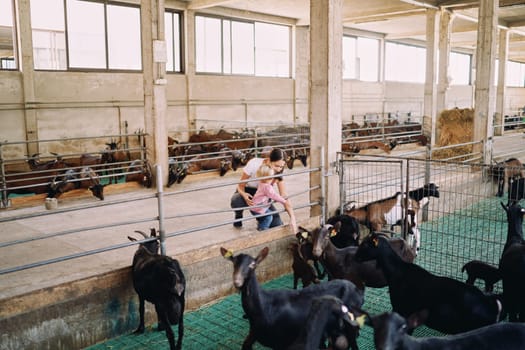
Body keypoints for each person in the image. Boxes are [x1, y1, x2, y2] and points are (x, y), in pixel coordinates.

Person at [230, 147, 294, 230]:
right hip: (248, 190)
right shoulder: (254, 164)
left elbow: (284, 195)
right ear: (269, 160)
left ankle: (261, 218)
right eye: (276, 166)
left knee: (276, 224)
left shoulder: (278, 172)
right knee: (236, 200)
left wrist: (292, 217)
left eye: (281, 167)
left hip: (263, 196)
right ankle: (238, 214)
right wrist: (244, 195)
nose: (279, 169)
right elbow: (240, 185)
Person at [249, 164, 297, 232]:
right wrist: (284, 201)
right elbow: (274, 196)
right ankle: (262, 230)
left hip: (255, 205)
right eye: (270, 178)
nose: (272, 180)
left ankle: (261, 225)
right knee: (269, 217)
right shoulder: (267, 187)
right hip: (259, 206)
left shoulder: (261, 182)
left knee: (268, 215)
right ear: (266, 178)